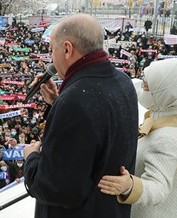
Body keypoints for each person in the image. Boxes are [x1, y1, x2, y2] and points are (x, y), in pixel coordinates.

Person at [23, 14, 139, 218]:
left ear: (67, 49)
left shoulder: (75, 101)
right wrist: (57, 101)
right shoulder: (123, 81)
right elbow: (94, 129)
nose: (52, 57)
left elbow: (58, 189)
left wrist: (31, 159)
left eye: (52, 49)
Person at [98, 59, 177, 218]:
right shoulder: (159, 121)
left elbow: (159, 187)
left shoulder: (167, 137)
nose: (141, 89)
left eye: (146, 86)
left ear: (165, 93)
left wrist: (130, 187)